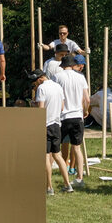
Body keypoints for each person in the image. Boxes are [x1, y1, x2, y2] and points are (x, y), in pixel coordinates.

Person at [34, 67, 72, 194]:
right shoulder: (58, 87)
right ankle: (67, 184)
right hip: (57, 124)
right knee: (57, 155)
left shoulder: (41, 88)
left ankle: (49, 187)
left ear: (40, 79)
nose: (34, 85)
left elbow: (40, 109)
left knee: (45, 156)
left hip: (45, 124)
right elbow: (62, 107)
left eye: (34, 82)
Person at [57, 52, 90, 185]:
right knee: (77, 147)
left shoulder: (57, 76)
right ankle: (79, 178)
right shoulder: (81, 77)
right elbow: (87, 99)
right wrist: (85, 111)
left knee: (54, 148)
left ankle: (54, 173)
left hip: (63, 116)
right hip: (77, 116)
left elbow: (55, 96)